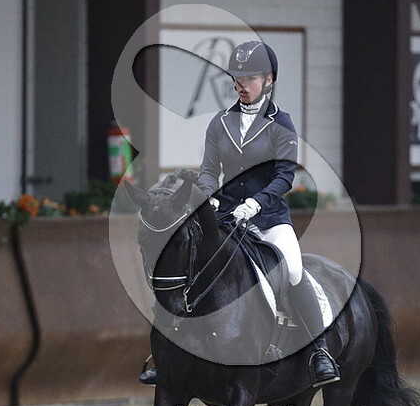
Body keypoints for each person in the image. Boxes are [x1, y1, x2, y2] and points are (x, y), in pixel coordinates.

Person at [140, 40, 340, 387]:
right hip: (226, 217)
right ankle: (164, 354)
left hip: (269, 218)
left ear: (269, 80)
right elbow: (208, 169)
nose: (241, 85)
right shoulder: (220, 122)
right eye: (237, 78)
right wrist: (210, 196)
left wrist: (257, 203)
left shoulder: (282, 124)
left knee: (294, 270)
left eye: (249, 78)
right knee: (187, 265)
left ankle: (319, 351)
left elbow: (285, 176)